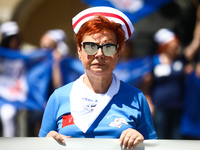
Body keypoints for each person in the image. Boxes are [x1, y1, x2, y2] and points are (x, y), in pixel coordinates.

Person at [39, 6, 157, 149]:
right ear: (79, 51)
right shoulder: (58, 98)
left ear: (118, 52)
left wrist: (141, 141)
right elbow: (40, 145)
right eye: (90, 46)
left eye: (108, 47)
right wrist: (46, 142)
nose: (99, 54)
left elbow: (153, 147)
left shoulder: (137, 98)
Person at [145, 28, 199, 139]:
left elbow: (195, 43)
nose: (176, 45)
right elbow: (146, 84)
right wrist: (149, 101)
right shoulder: (153, 61)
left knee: (177, 139)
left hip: (178, 108)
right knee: (161, 139)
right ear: (164, 45)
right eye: (172, 43)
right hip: (160, 107)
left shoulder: (181, 60)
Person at [0, 21, 22, 137]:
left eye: (17, 38)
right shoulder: (1, 56)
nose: (15, 41)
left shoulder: (24, 56)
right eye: (12, 38)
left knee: (8, 115)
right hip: (2, 95)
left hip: (17, 96)